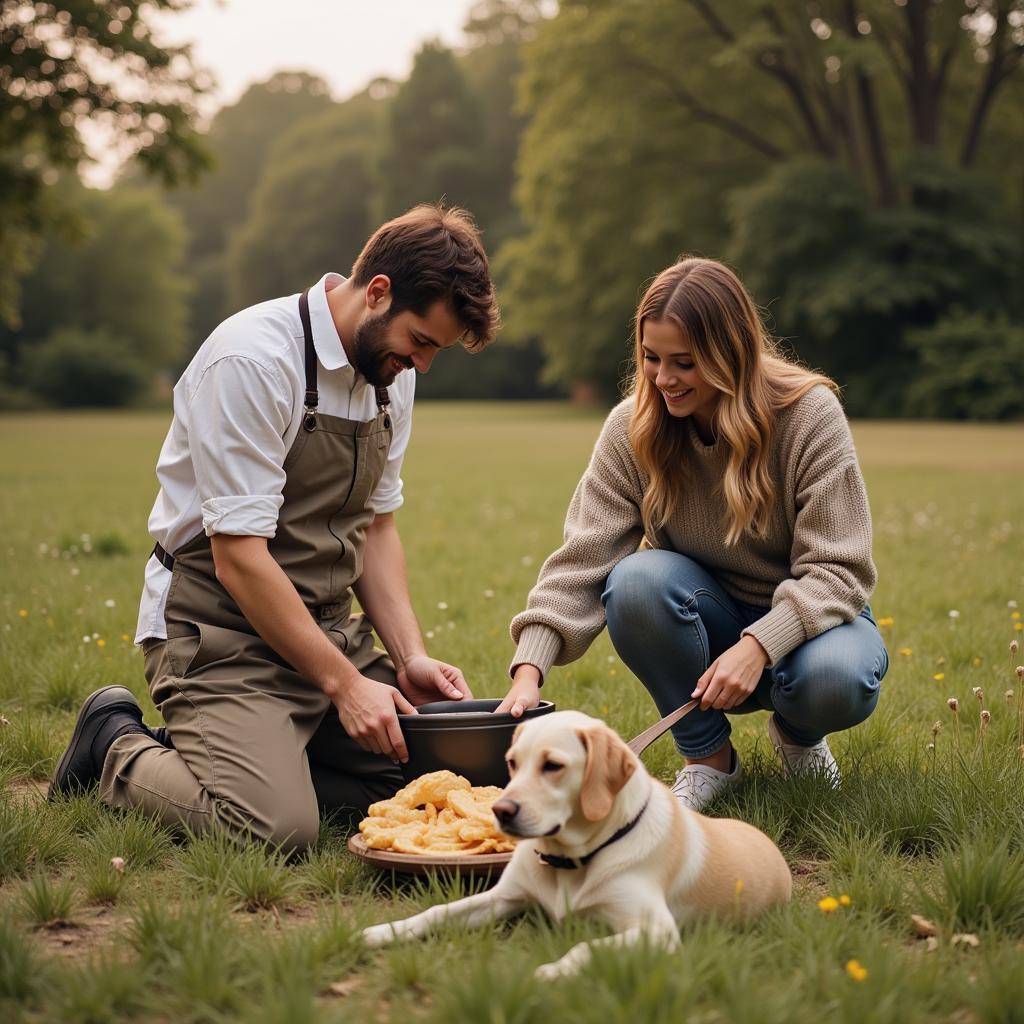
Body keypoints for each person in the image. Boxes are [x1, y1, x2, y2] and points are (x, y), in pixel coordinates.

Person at [51, 205, 500, 851]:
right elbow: (238, 559)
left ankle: (267, 760)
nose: (423, 365)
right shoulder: (253, 360)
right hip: (219, 636)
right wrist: (346, 687)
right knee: (273, 829)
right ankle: (115, 747)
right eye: (421, 342)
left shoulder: (388, 374)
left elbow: (376, 529)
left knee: (441, 789)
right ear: (377, 292)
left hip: (325, 631)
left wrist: (409, 658)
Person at [498, 257, 887, 811]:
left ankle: (799, 738)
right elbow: (583, 558)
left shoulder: (808, 415)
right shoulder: (632, 428)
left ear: (732, 354)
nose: (663, 379)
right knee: (633, 582)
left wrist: (760, 644)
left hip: (814, 627)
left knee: (834, 679)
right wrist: (529, 669)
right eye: (652, 359)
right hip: (706, 618)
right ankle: (708, 760)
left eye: (685, 362)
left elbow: (840, 570)